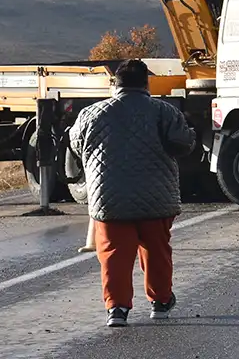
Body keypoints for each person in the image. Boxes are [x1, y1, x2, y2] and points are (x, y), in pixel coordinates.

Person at [69, 58, 197, 328]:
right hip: (156, 197)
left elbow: (77, 147)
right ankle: (160, 302)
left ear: (115, 83)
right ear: (145, 83)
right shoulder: (164, 111)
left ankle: (117, 308)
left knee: (114, 253)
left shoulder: (91, 114)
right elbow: (183, 145)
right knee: (156, 249)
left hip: (109, 197)